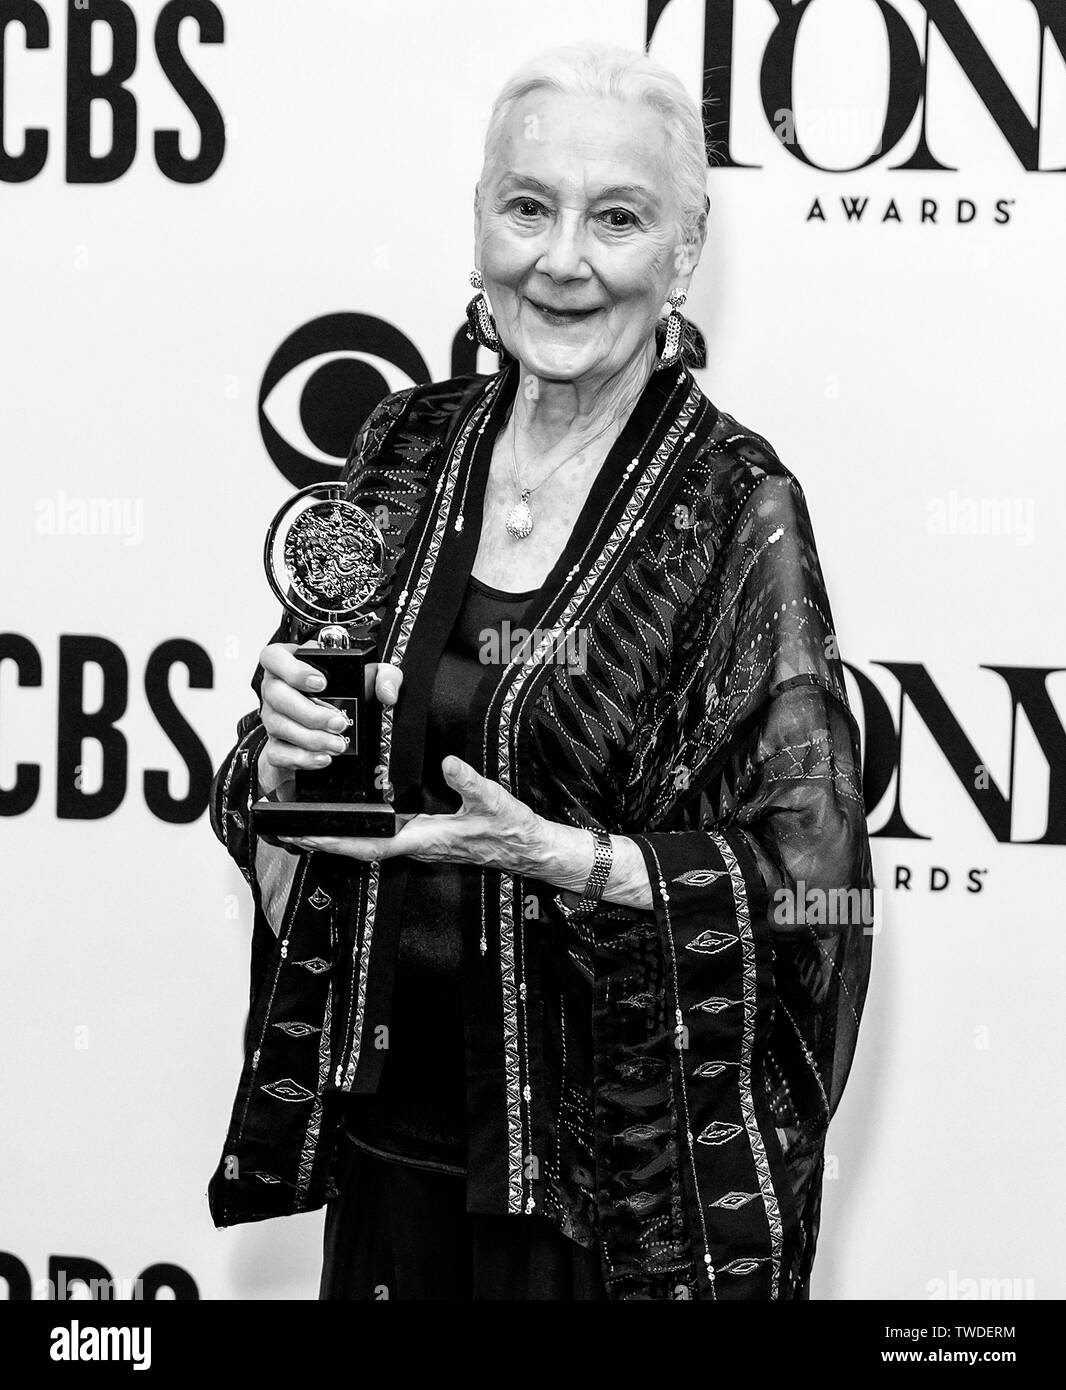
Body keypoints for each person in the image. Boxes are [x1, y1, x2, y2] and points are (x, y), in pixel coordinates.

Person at [207, 40, 874, 1301]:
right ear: (477, 228)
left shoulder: (737, 510)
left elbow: (811, 879)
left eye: (614, 218)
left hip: (601, 1208)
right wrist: (281, 756)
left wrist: (567, 858)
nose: (561, 259)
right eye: (527, 207)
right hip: (386, 1161)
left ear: (681, 255)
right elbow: (291, 809)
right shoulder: (404, 447)